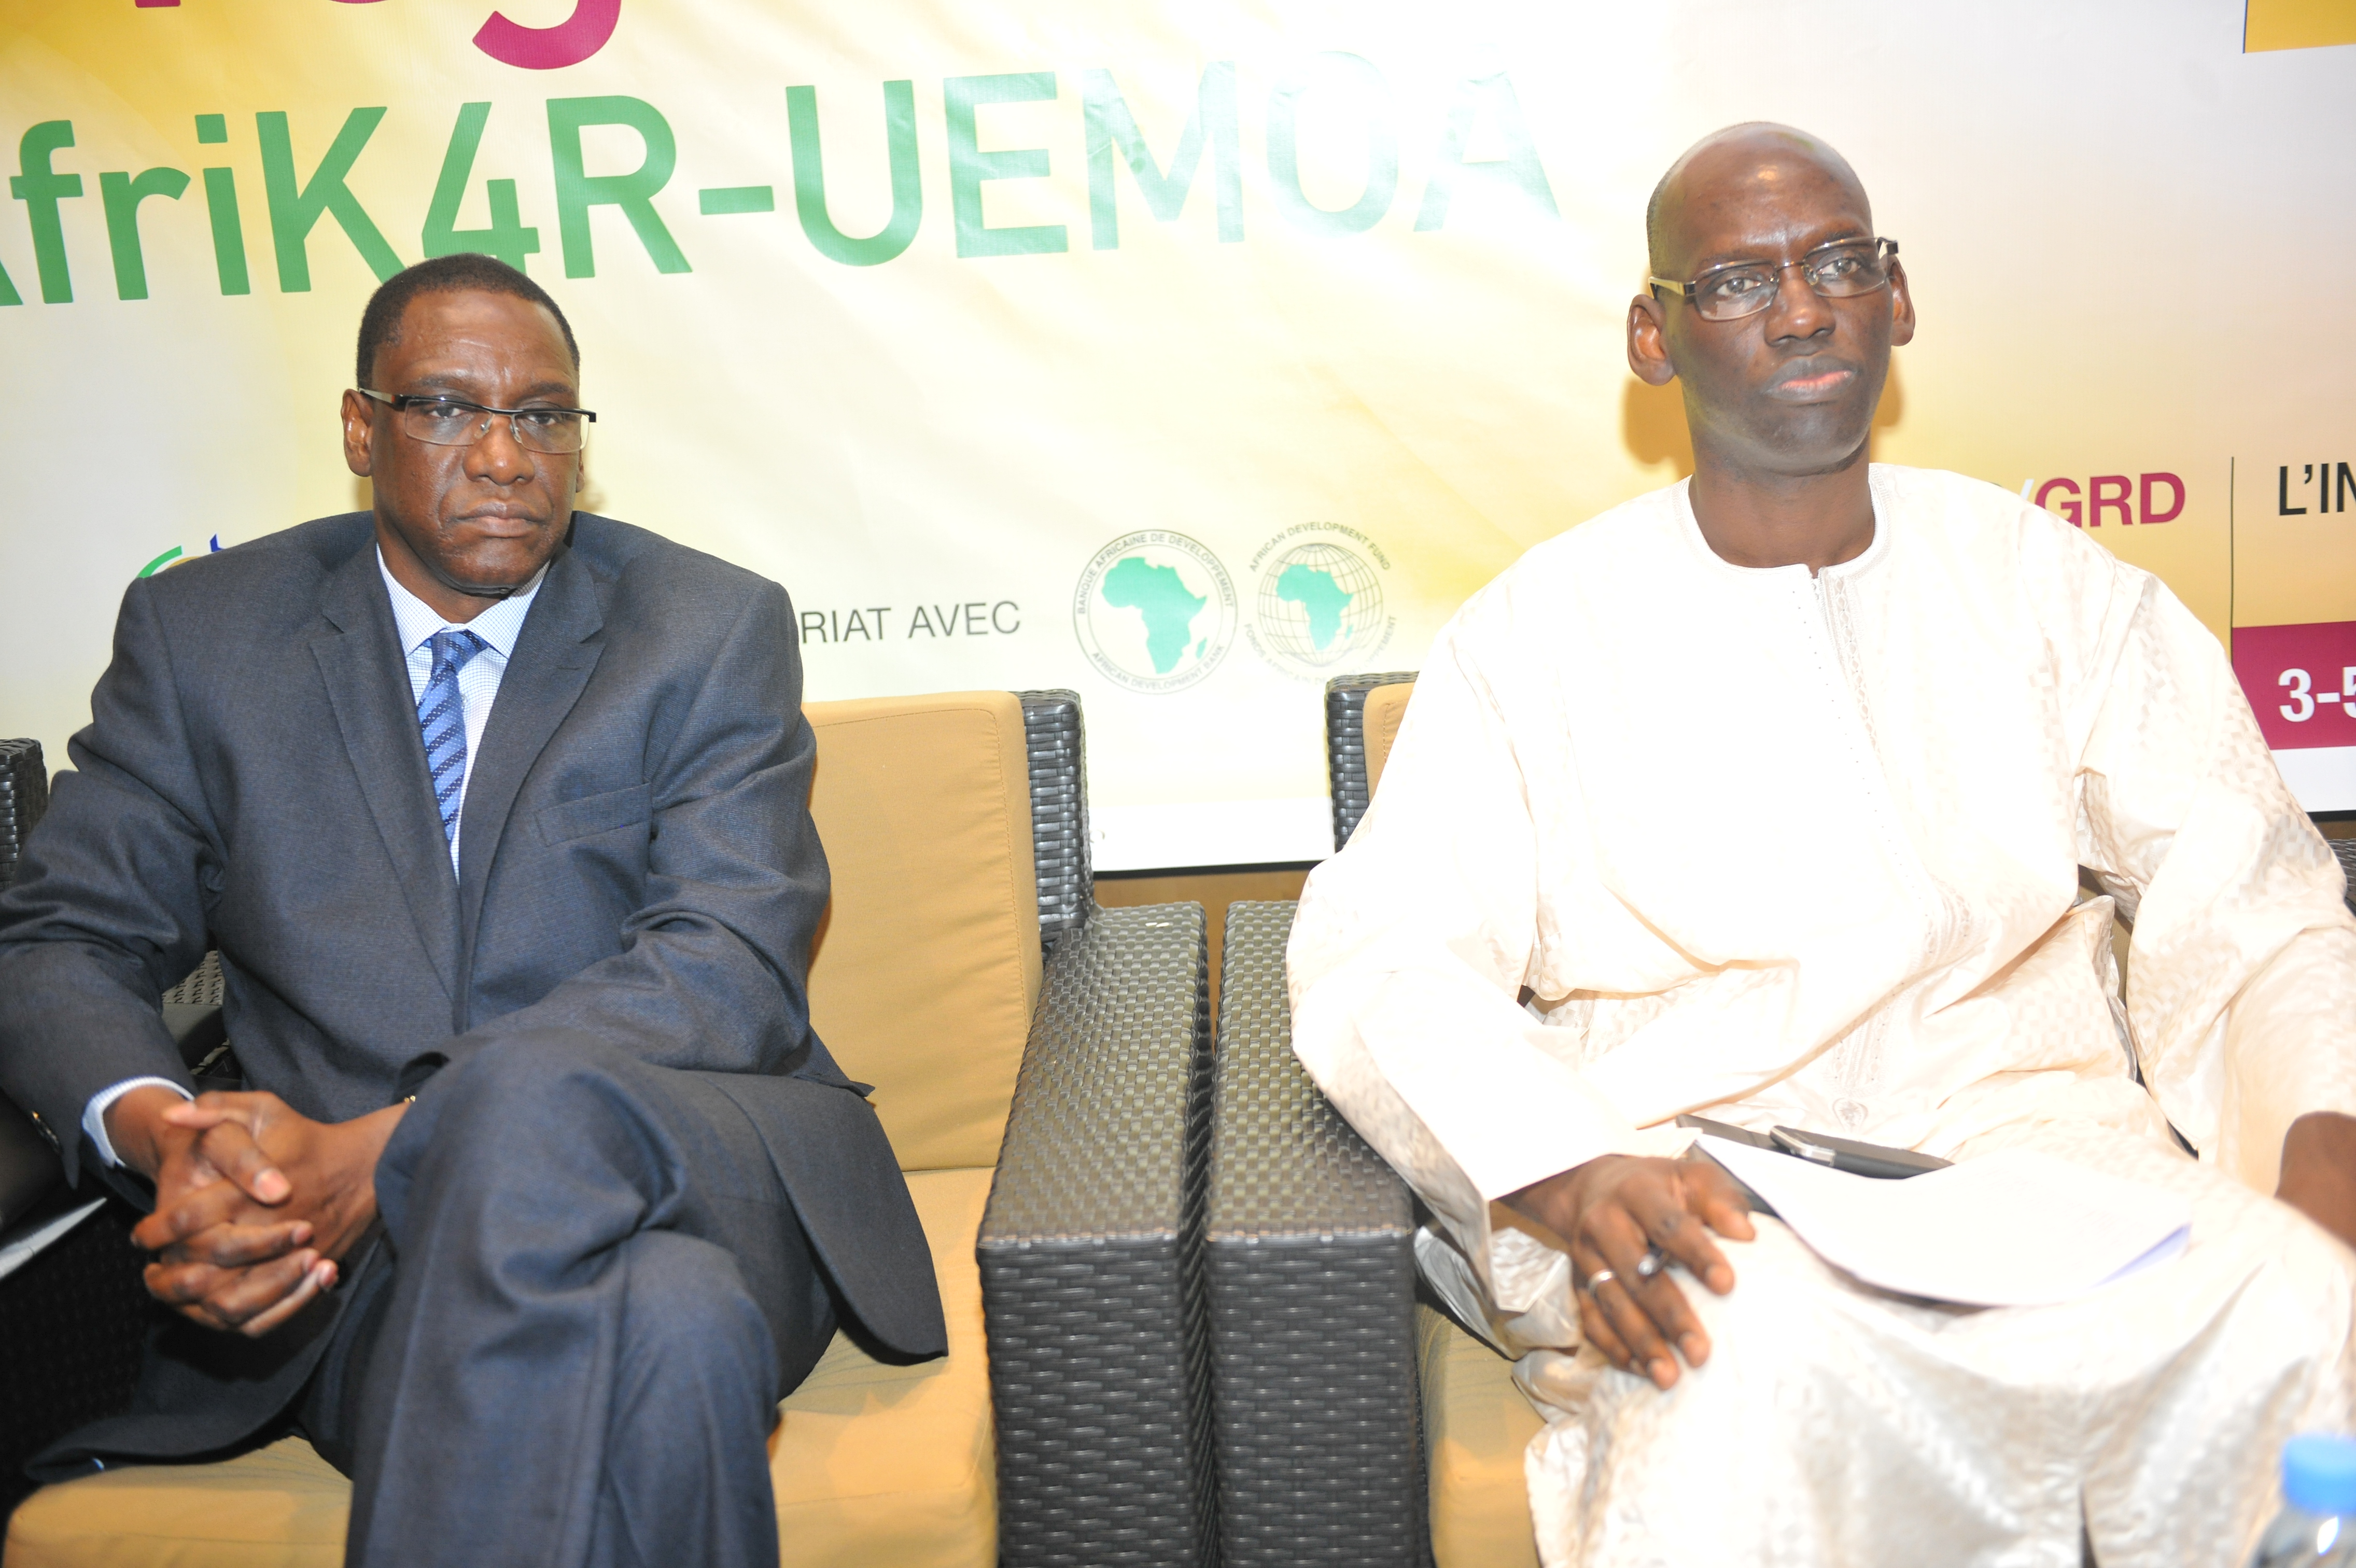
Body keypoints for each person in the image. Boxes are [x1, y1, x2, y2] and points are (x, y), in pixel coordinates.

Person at [1286, 123, 2356, 1566]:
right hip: (1695, 1178)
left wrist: (2324, 1139)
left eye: (1839, 264)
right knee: (1740, 1358)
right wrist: (1577, 1173)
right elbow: (1386, 958)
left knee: (2298, 1305)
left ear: (1897, 301)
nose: (1801, 310)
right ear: (1652, 339)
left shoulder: (2042, 585)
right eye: (1736, 282)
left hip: (2038, 1155)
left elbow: (2254, 898)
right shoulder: (1537, 638)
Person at [0, 253, 945, 1565]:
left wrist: (380, 1150)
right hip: (365, 1267)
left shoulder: (705, 626)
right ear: (359, 427)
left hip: (701, 1170)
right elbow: (65, 940)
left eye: (544, 416)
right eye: (447, 408)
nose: (505, 456)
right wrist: (174, 1140)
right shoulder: (204, 637)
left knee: (529, 1101)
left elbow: (725, 962)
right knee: (672, 1334)